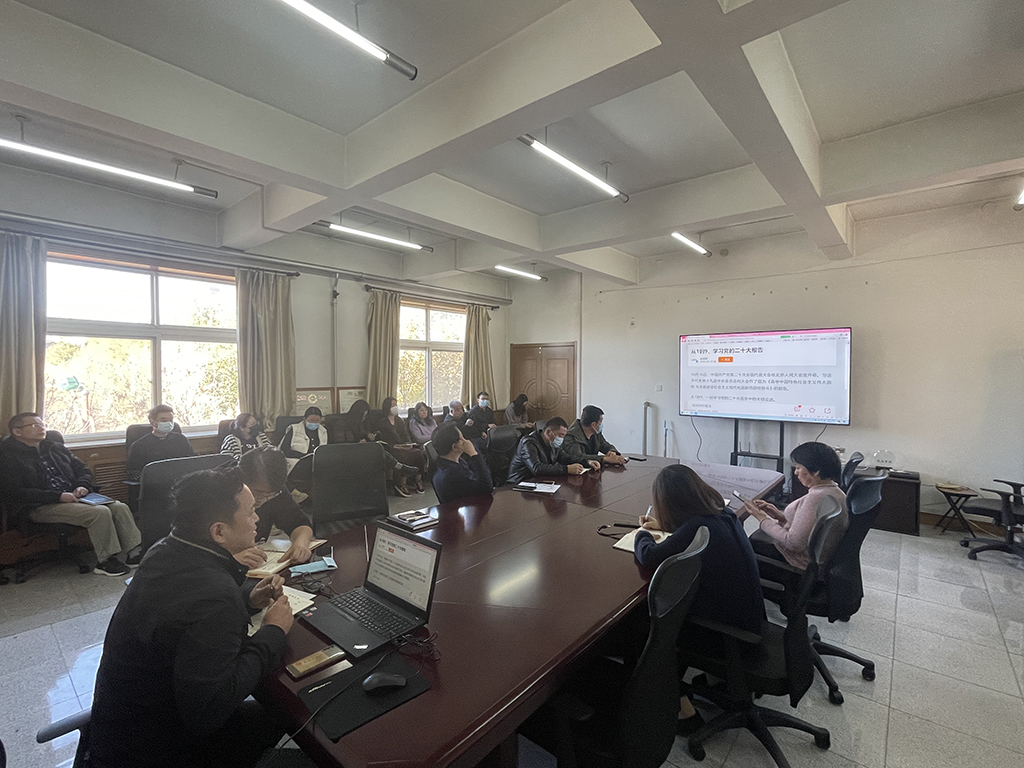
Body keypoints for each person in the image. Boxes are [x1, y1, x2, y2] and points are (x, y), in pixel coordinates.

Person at [88, 466, 294, 768]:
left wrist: (247, 601)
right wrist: (273, 631)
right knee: (293, 716)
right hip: (163, 750)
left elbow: (181, 615)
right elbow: (209, 712)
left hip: (121, 731)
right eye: (251, 512)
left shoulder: (164, 550)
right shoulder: (214, 594)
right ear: (219, 531)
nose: (257, 519)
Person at [633, 464, 765, 734]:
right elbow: (686, 533)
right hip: (750, 623)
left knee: (647, 629)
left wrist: (642, 534)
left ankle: (683, 711)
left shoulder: (699, 526)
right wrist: (666, 526)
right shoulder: (723, 514)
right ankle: (715, 682)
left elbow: (649, 555)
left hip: (730, 636)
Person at [0, 413, 141, 576]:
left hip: (74, 497)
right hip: (39, 505)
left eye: (42, 424)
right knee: (99, 513)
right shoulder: (8, 456)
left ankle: (134, 551)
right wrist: (58, 497)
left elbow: (83, 470)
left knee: (119, 507)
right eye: (34, 425)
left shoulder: (55, 447)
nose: (41, 428)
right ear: (17, 432)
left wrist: (82, 485)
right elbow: (14, 492)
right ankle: (106, 561)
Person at [743, 441, 848, 571]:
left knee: (744, 546)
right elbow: (809, 524)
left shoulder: (816, 498)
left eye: (798, 468)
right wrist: (780, 516)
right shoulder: (835, 491)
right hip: (815, 558)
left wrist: (762, 519)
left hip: (797, 563)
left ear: (815, 471)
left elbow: (792, 543)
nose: (796, 472)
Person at [237, 447, 314, 567]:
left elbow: (300, 523)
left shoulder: (276, 491)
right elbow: (204, 552)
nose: (264, 499)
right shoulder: (218, 492)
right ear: (242, 481)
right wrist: (232, 560)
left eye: (270, 494)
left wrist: (301, 543)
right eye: (258, 493)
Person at [336, 399, 419, 494]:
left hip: (363, 449)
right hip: (349, 451)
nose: (364, 417)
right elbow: (340, 443)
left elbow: (364, 433)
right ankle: (400, 467)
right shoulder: (341, 424)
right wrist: (357, 443)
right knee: (378, 450)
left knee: (379, 448)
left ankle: (399, 467)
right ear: (357, 413)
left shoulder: (361, 423)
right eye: (363, 415)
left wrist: (370, 436)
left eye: (366, 415)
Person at [506, 416, 595, 484]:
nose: (561, 439)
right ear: (548, 432)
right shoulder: (528, 443)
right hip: (520, 484)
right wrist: (566, 469)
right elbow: (537, 468)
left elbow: (565, 458)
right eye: (560, 435)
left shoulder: (552, 443)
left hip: (539, 483)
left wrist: (587, 462)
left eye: (563, 436)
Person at [126, 404, 195, 480]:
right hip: (155, 483)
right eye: (164, 420)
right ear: (152, 422)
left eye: (171, 420)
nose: (169, 423)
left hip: (182, 481)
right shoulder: (139, 446)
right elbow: (134, 473)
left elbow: (193, 461)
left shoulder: (181, 439)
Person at [374, 397, 425, 496]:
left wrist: (408, 443)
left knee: (418, 453)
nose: (395, 407)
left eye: (396, 405)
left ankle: (418, 480)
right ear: (387, 407)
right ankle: (401, 483)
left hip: (403, 445)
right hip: (391, 448)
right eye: (392, 405)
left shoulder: (399, 420)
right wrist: (395, 446)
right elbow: (382, 439)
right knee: (401, 456)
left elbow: (405, 434)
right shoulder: (382, 422)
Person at [431, 423, 493, 503]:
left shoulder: (451, 462)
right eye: (462, 438)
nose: (466, 441)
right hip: (470, 505)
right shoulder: (451, 474)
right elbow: (486, 487)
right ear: (455, 447)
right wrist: (473, 454)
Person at [278, 406, 327, 471]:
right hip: (296, 462)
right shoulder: (294, 429)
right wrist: (303, 456)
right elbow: (284, 449)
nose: (314, 423)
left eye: (317, 421)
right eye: (311, 420)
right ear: (304, 419)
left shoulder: (323, 431)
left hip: (316, 463)